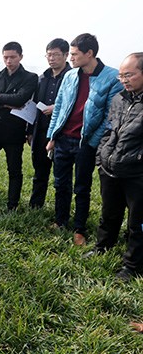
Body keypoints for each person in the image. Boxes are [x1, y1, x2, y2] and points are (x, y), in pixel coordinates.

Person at [46, 33, 122, 246]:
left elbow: (109, 116)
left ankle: (79, 228)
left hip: (85, 142)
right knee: (60, 184)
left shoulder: (111, 78)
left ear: (90, 53)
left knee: (82, 186)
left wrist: (91, 142)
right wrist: (52, 136)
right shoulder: (70, 76)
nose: (71, 58)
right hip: (63, 139)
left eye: (74, 54)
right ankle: (60, 220)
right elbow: (59, 106)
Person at [83, 53, 142, 282]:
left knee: (138, 221)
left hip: (136, 172)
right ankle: (103, 247)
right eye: (121, 75)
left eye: (129, 75)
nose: (124, 80)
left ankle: (132, 265)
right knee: (109, 213)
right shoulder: (119, 98)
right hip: (110, 167)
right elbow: (110, 129)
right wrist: (102, 155)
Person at [0, 42, 38, 211]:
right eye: (5, 57)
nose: (9, 61)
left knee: (14, 170)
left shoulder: (30, 78)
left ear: (21, 57)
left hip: (14, 131)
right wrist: (5, 104)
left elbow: (21, 99)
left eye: (13, 57)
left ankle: (12, 204)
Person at [27, 39, 71, 208]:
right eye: (49, 54)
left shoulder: (72, 78)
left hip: (63, 133)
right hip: (41, 131)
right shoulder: (41, 78)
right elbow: (33, 106)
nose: (51, 58)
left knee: (62, 176)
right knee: (40, 172)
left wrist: (57, 108)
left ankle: (61, 212)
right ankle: (35, 205)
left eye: (56, 55)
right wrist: (30, 131)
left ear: (66, 55)